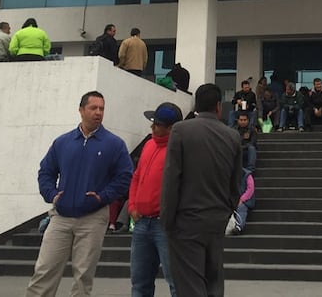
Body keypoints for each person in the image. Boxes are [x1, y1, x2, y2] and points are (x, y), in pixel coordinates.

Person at [26, 91, 134, 297]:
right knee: (44, 271)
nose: (98, 113)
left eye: (102, 108)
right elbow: (46, 172)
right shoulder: (63, 142)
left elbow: (124, 177)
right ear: (81, 110)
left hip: (93, 218)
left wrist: (102, 197)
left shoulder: (114, 144)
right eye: (93, 108)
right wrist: (52, 194)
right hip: (60, 217)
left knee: (83, 276)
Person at [161, 83, 243, 297]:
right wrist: (227, 212)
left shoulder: (181, 130)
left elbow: (171, 179)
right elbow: (236, 186)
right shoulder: (232, 136)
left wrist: (167, 220)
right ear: (218, 106)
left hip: (186, 221)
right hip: (216, 220)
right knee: (214, 279)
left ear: (197, 105)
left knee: (189, 283)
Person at [128, 102, 183, 297]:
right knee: (139, 283)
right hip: (142, 222)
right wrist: (132, 206)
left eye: (157, 124)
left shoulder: (179, 150)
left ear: (170, 128)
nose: (152, 127)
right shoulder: (149, 144)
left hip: (165, 226)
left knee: (176, 283)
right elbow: (136, 176)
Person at [226, 168, 255, 236]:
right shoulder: (230, 175)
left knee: (241, 208)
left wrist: (242, 199)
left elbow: (250, 190)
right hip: (234, 198)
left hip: (246, 200)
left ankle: (239, 227)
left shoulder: (247, 175)